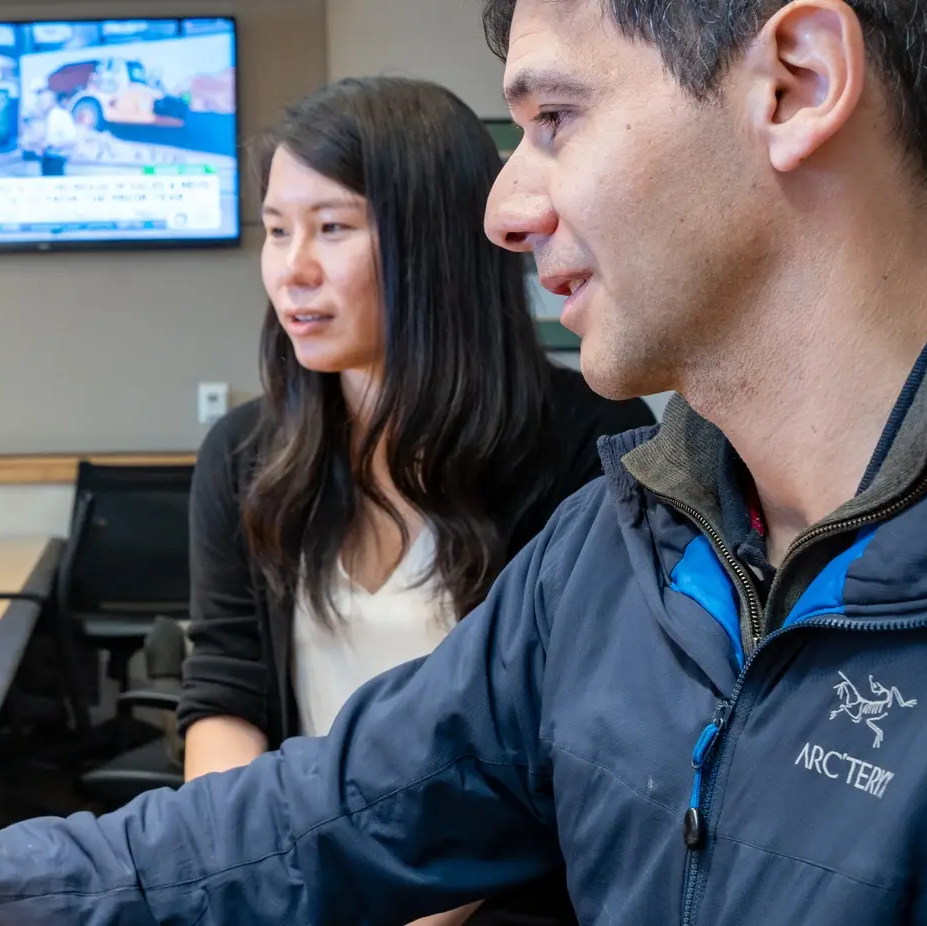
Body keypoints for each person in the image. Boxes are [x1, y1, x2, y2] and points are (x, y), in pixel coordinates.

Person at [0, 0, 927, 921]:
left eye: (554, 120)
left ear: (797, 83)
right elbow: (311, 817)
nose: (506, 206)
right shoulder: (627, 545)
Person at [179, 76, 651, 926]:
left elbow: (554, 746)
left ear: (429, 241)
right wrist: (242, 887)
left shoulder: (587, 442)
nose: (293, 270)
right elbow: (226, 698)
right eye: (277, 231)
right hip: (304, 887)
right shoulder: (244, 456)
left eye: (332, 228)